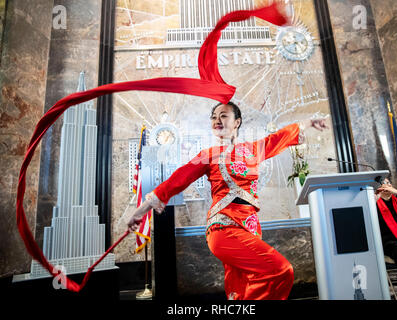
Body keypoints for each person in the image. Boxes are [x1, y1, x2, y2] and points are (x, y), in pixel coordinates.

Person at [128, 101, 328, 300]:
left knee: (240, 290)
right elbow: (178, 179)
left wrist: (308, 122)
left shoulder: (252, 150)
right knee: (280, 270)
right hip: (223, 228)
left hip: (249, 227)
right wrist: (141, 211)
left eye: (223, 115)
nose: (217, 120)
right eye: (214, 117)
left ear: (237, 122)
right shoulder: (208, 155)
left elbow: (279, 138)